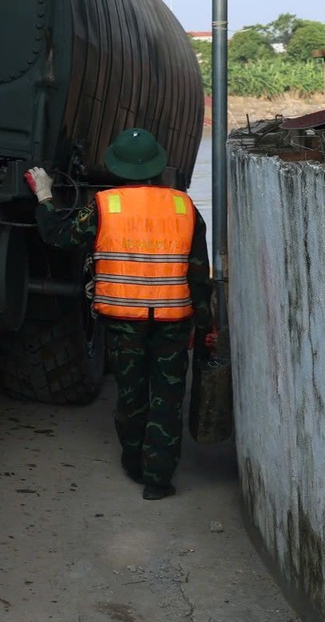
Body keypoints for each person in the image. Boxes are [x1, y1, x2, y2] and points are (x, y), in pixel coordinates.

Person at [27, 127, 214, 501]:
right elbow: (199, 274)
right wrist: (206, 326)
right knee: (168, 397)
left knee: (131, 395)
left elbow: (59, 237)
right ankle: (158, 480)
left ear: (117, 167)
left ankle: (133, 463)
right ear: (157, 166)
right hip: (173, 322)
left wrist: (44, 194)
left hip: (124, 321)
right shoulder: (184, 206)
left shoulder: (105, 205)